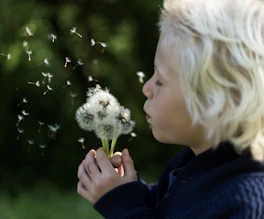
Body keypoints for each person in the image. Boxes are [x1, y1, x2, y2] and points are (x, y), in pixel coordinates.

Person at [77, 0, 264, 218]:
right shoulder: (197, 163)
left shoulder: (249, 202)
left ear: (218, 101)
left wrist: (124, 208)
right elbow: (169, 210)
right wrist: (126, 191)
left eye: (160, 80)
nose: (147, 88)